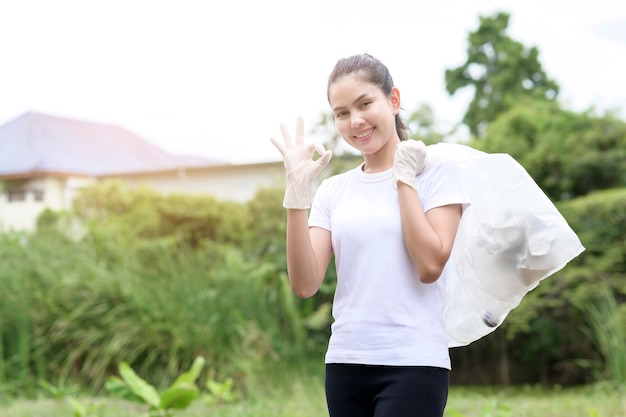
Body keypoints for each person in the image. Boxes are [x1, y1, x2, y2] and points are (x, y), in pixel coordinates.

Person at [271, 53, 470, 417]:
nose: (355, 121)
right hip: (346, 362)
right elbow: (304, 284)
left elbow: (429, 265)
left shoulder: (437, 173)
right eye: (342, 113)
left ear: (393, 100)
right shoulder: (334, 191)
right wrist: (297, 198)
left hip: (413, 362)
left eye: (365, 104)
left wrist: (404, 181)